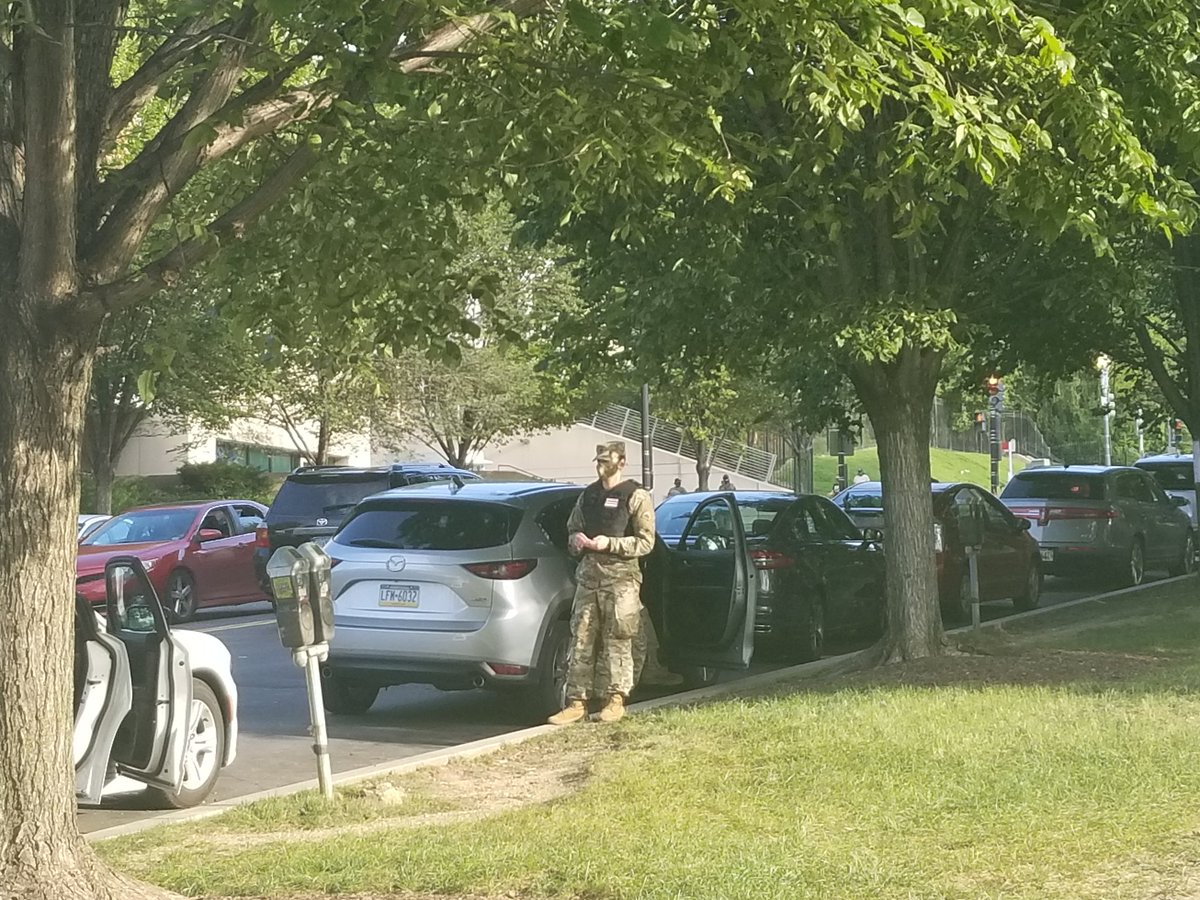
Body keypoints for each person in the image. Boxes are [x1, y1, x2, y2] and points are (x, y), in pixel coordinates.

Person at [548, 442, 656, 726]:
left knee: (618, 638)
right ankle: (576, 702)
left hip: (621, 580)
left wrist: (610, 543)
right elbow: (572, 529)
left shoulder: (636, 496)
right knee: (581, 637)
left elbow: (646, 542)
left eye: (606, 460)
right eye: (598, 460)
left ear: (621, 462)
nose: (600, 465)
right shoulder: (589, 496)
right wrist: (577, 541)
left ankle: (615, 698)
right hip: (589, 577)